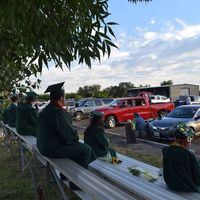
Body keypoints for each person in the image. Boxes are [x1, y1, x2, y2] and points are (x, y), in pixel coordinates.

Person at [37, 82, 95, 171]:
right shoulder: (57, 112)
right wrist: (74, 135)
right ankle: (77, 181)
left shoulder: (46, 110)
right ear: (61, 98)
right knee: (85, 149)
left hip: (42, 146)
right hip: (50, 149)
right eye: (65, 98)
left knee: (74, 148)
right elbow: (70, 137)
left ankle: (66, 175)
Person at [162, 122, 200, 192]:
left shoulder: (165, 150)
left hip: (170, 183)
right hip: (184, 187)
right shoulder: (187, 154)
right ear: (186, 139)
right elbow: (196, 176)